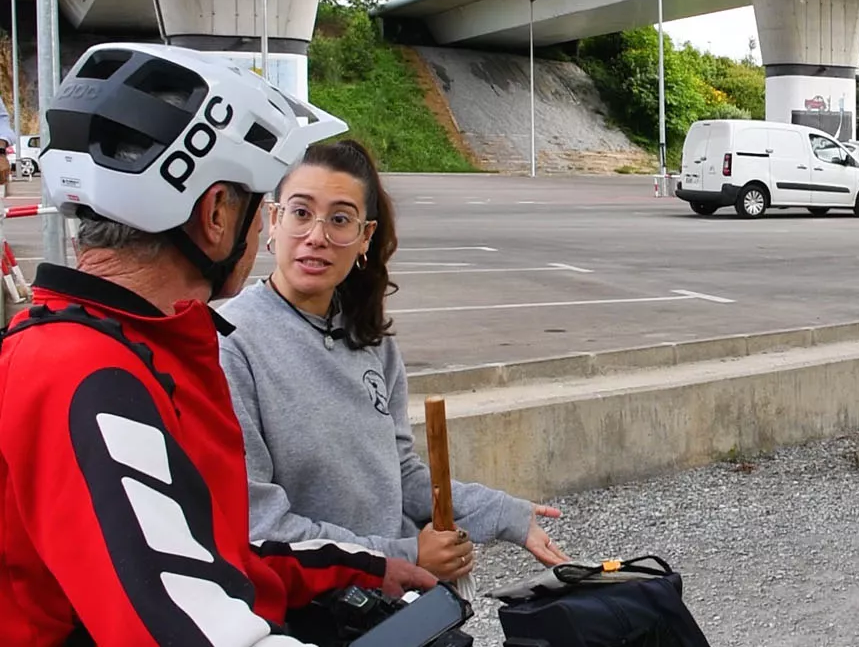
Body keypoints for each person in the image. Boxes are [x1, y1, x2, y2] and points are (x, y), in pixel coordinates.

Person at [0, 43, 435, 646]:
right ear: (216, 214)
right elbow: (189, 625)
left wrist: (365, 568)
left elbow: (211, 555)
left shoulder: (149, 350)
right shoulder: (88, 377)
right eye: (264, 210)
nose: (265, 232)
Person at [216, 137, 569, 583]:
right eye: (301, 213)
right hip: (312, 605)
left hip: (390, 600)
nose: (317, 237)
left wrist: (500, 512)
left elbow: (398, 473)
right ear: (272, 220)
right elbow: (260, 525)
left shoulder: (369, 338)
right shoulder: (231, 343)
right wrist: (403, 555)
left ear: (365, 236)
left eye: (340, 219)